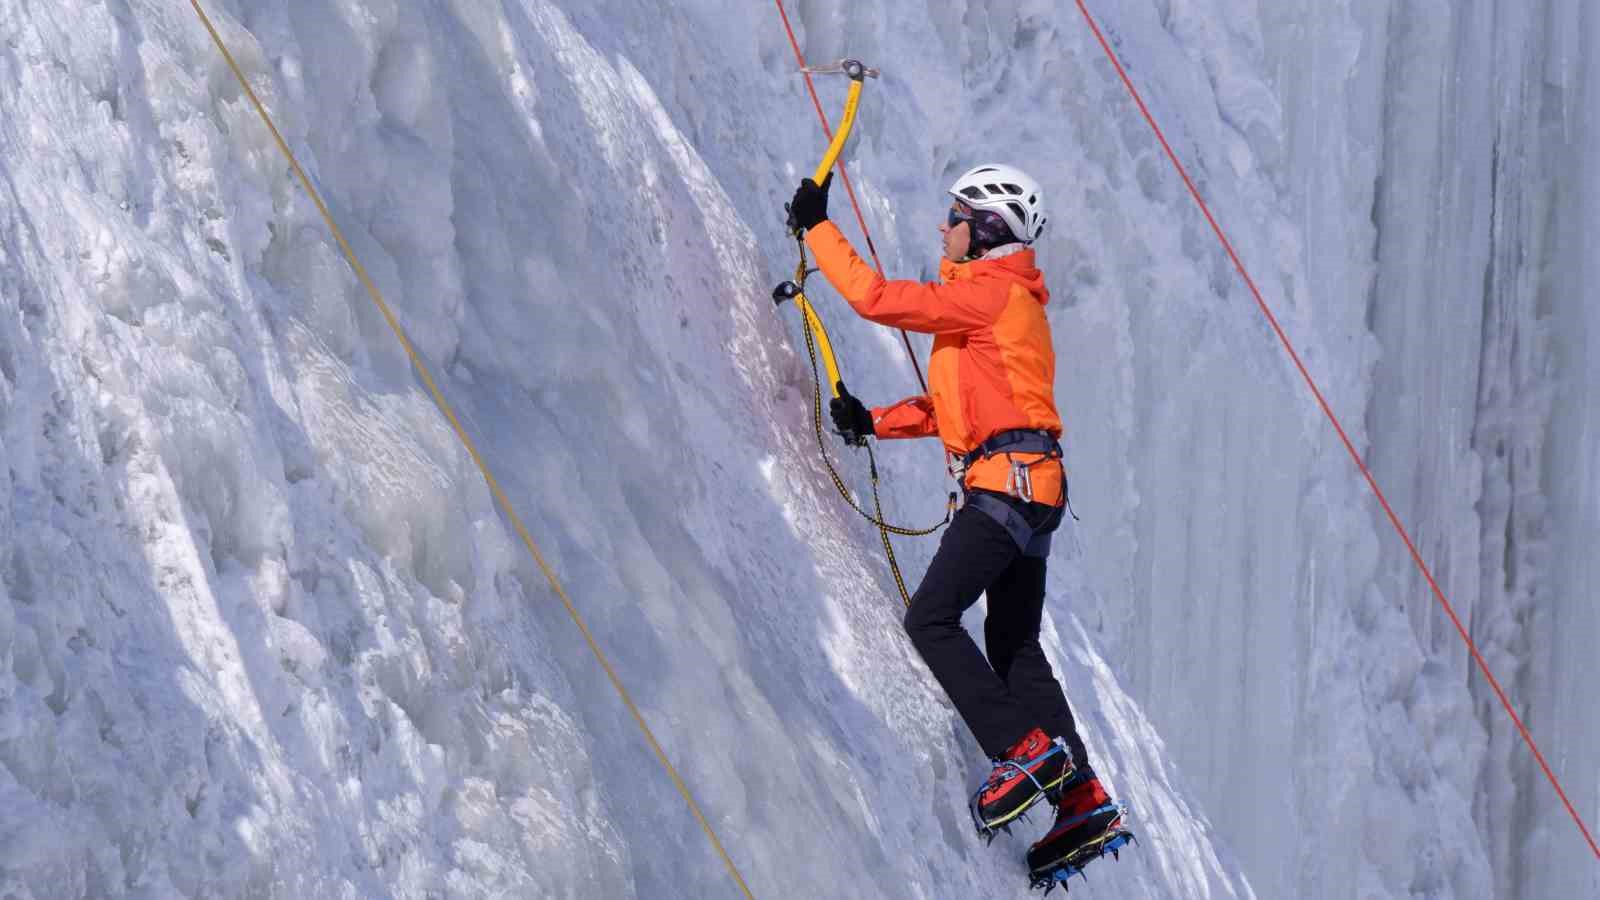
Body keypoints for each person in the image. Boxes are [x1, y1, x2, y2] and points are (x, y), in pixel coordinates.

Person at [788, 165, 1122, 872]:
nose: (945, 227)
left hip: (1005, 488)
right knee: (1015, 647)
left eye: (956, 216)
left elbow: (877, 299)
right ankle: (1081, 797)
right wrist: (875, 421)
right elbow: (960, 410)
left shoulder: (989, 292)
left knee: (932, 619)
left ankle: (1024, 752)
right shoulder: (1005, 303)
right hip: (1034, 490)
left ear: (987, 228)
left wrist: (817, 225)